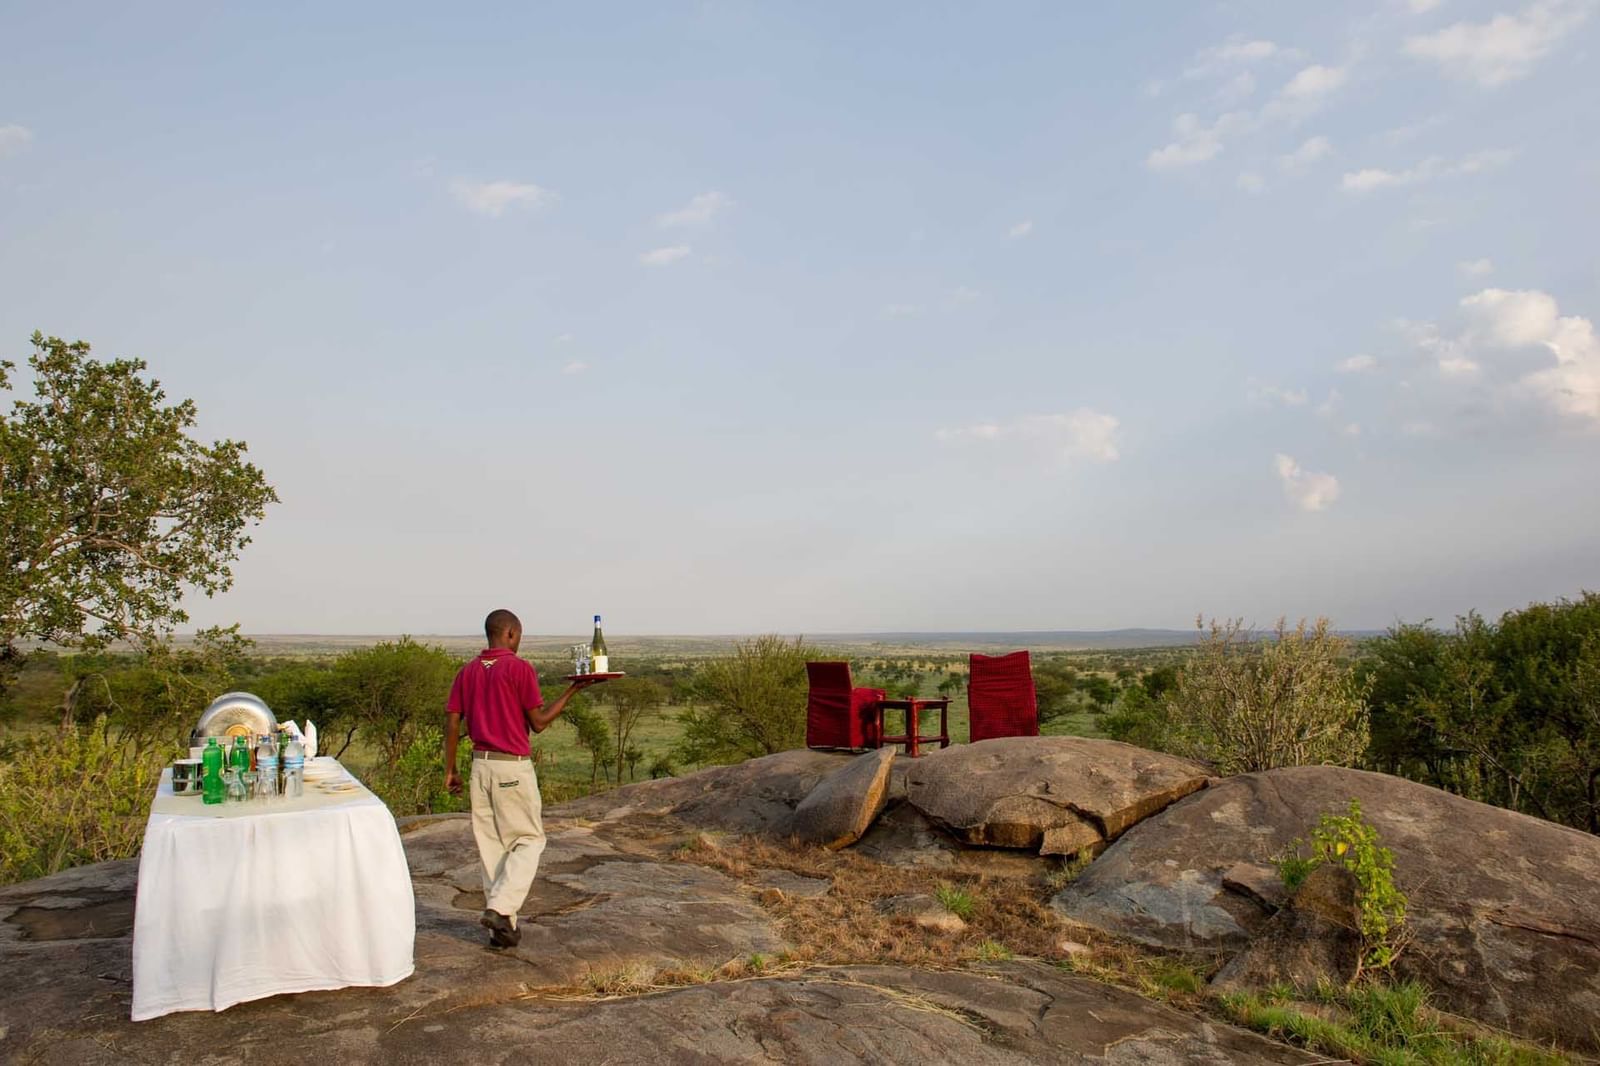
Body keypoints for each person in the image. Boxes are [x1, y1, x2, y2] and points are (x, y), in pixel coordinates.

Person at [444, 609, 599, 948]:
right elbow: (539, 722)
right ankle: (500, 908)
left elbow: (454, 722)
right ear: (511, 633)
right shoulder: (519, 668)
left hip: (479, 767)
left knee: (491, 847)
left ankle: (501, 930)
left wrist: (450, 768)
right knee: (529, 840)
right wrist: (573, 692)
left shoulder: (467, 671)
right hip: (511, 767)